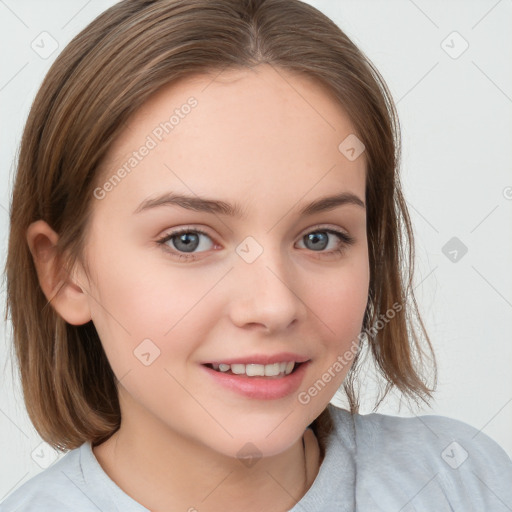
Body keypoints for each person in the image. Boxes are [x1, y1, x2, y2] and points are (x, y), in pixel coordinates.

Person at [1, 0, 511, 510]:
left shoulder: (461, 480)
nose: (273, 305)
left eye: (320, 237)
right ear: (65, 272)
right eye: (188, 240)